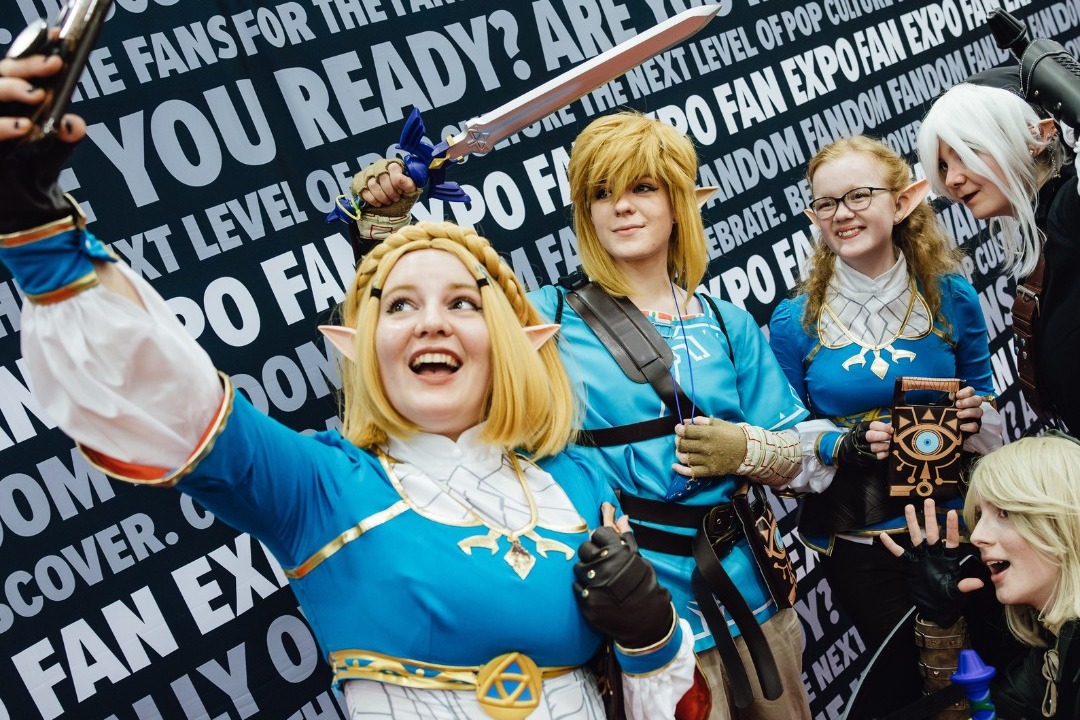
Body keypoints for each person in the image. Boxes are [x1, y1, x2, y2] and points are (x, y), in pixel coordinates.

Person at [0, 53, 699, 720]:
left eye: (462, 303)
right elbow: (160, 395)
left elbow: (669, 703)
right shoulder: (318, 487)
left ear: (517, 345)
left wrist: (651, 636)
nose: (430, 324)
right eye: (399, 306)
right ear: (364, 347)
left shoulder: (579, 485)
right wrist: (36, 232)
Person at [353, 112, 813, 720]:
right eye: (602, 193)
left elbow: (811, 454)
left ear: (679, 202)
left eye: (642, 188)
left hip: (758, 599)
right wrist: (390, 227)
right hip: (643, 615)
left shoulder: (729, 323)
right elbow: (442, 322)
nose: (621, 207)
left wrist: (749, 451)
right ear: (585, 213)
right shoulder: (550, 318)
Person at [767, 134, 1003, 717]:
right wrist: (840, 444)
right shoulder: (794, 321)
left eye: (858, 196)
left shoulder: (951, 296)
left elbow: (991, 404)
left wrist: (975, 416)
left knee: (990, 674)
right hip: (863, 545)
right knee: (908, 690)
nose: (842, 214)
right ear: (813, 218)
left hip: (963, 532)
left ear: (903, 201)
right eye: (826, 204)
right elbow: (780, 444)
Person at [917, 67, 1078, 432]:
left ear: (1038, 136)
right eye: (944, 164)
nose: (953, 178)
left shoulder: (1070, 208)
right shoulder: (1043, 233)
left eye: (969, 151)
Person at [880, 435, 1080, 718]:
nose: (977, 536)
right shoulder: (1057, 647)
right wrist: (941, 626)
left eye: (1004, 512)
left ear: (1062, 522)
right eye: (979, 515)